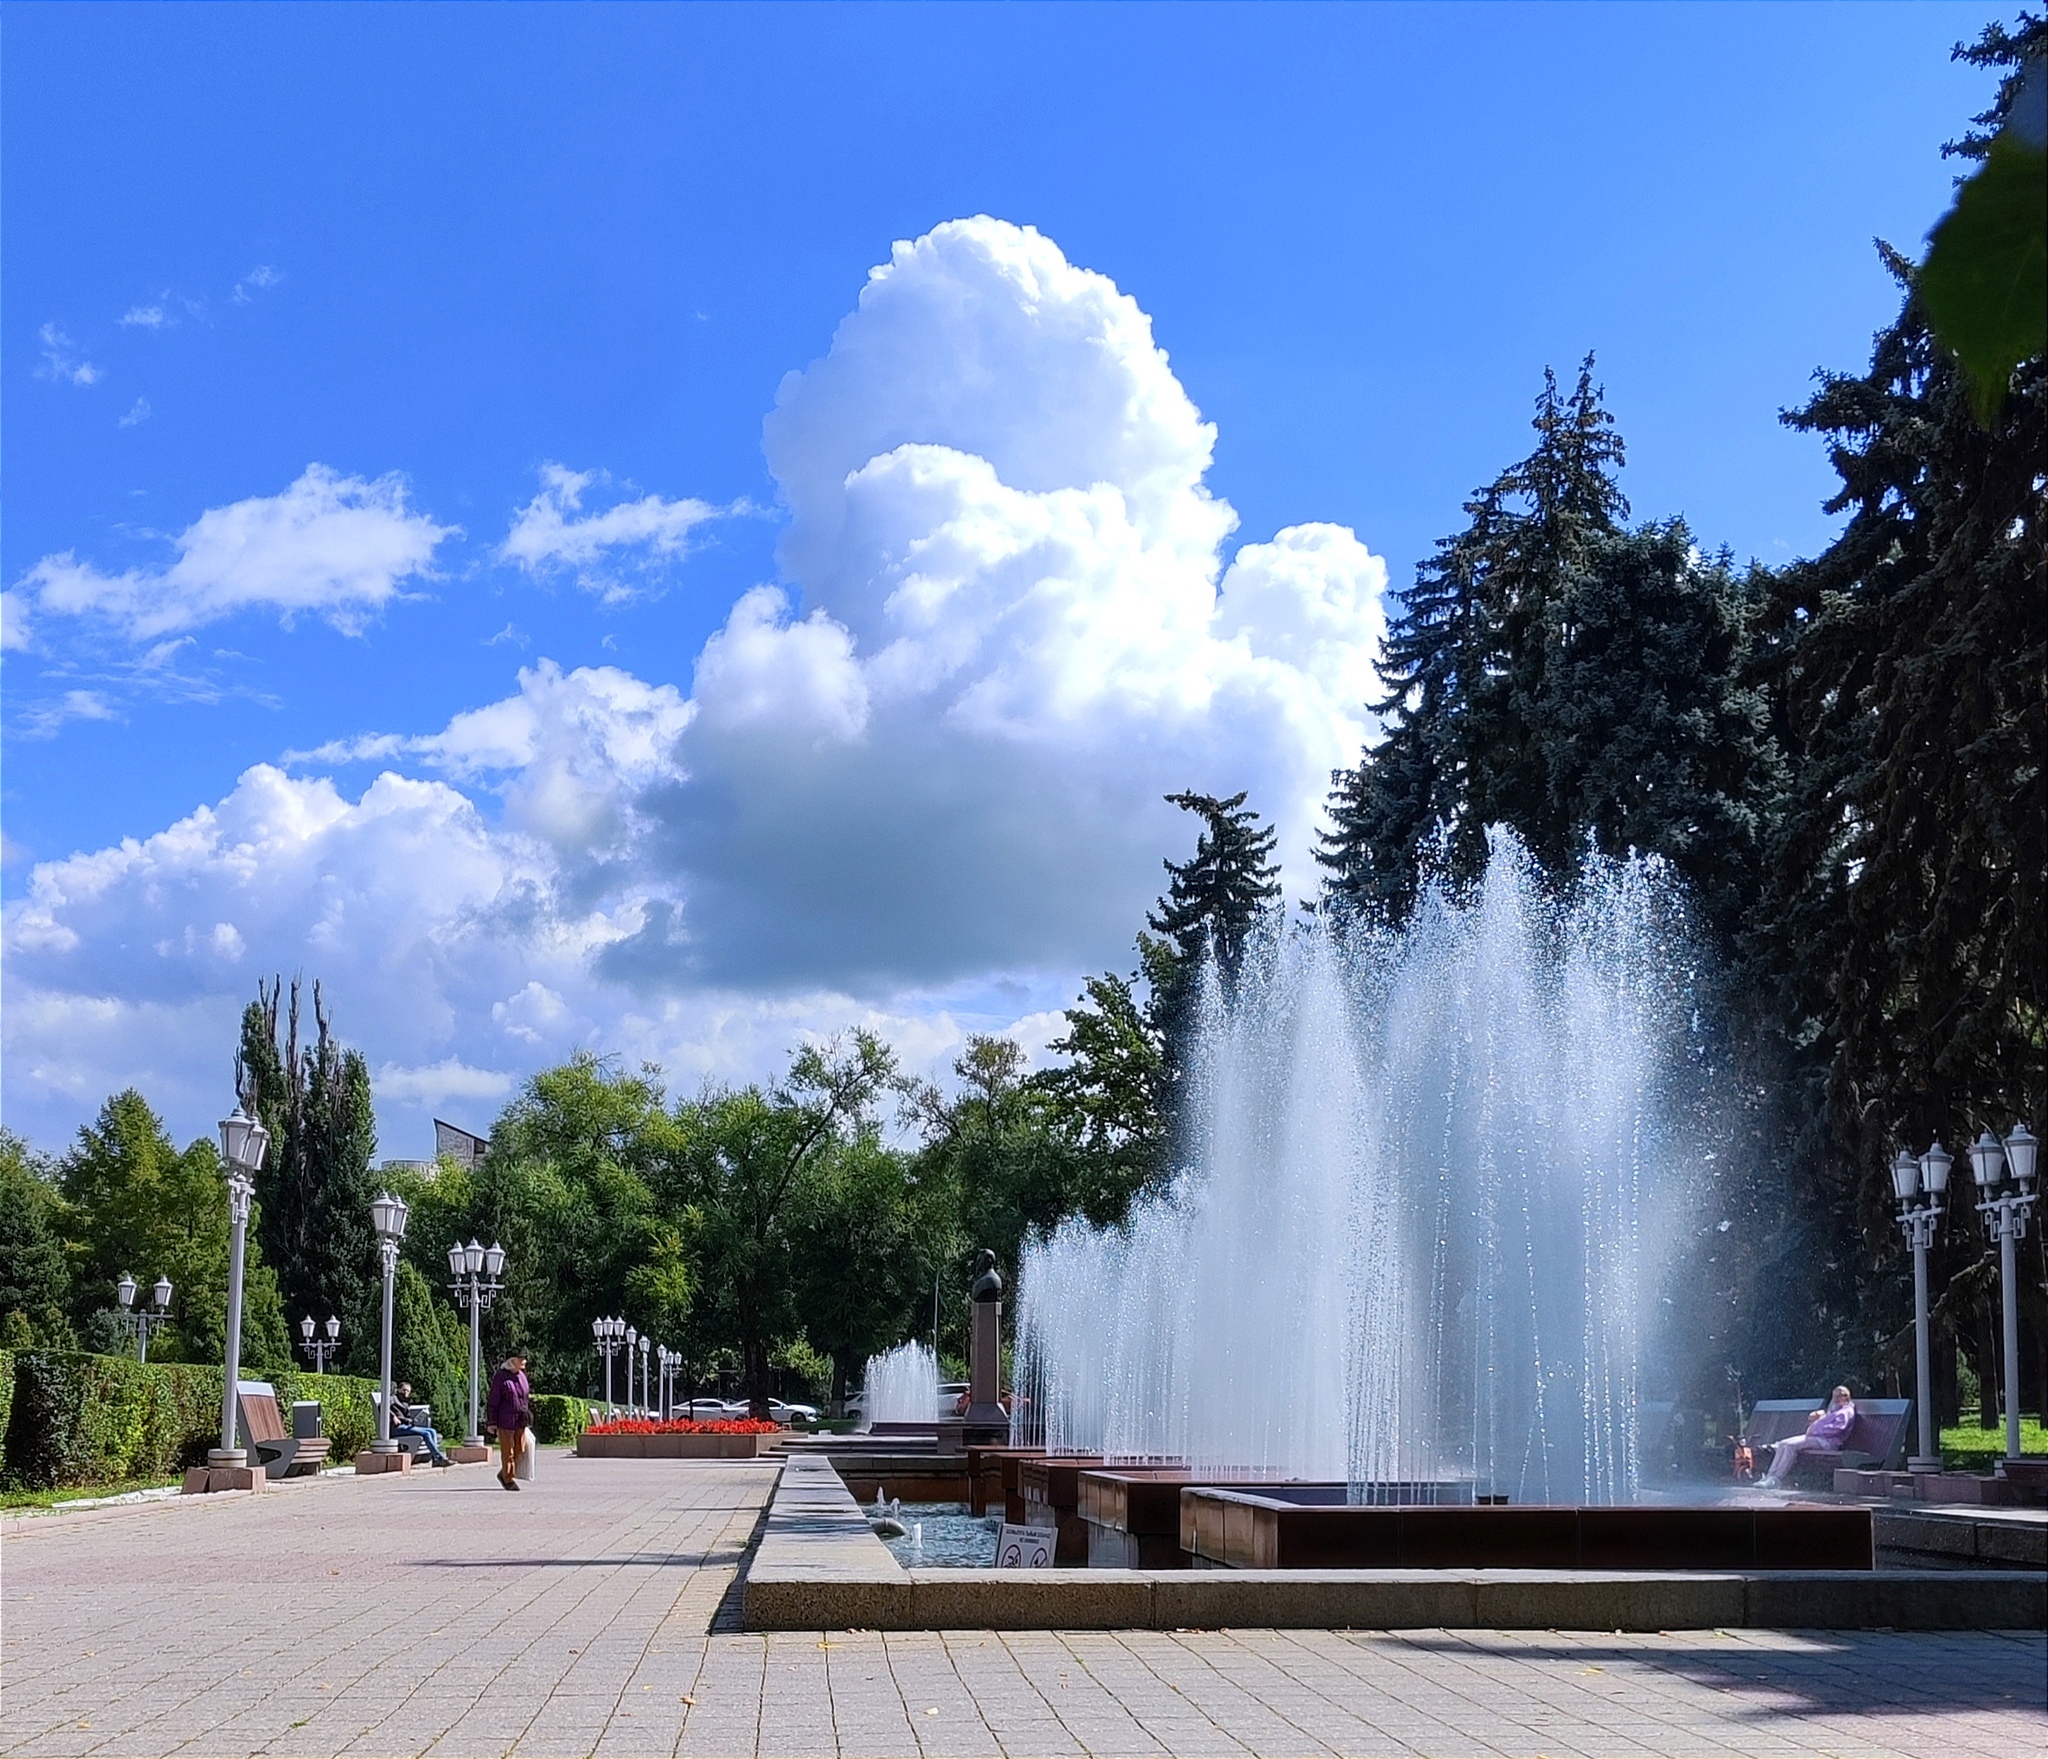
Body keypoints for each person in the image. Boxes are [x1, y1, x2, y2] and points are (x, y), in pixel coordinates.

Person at [1762, 1386, 1857, 1485]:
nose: (1836, 1399)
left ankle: (1777, 1478)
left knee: (1791, 1446)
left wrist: (1815, 1429)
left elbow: (1837, 1429)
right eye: (1834, 1396)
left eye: (1839, 1396)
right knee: (1783, 1444)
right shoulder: (1835, 1410)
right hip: (1816, 1438)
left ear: (1846, 1397)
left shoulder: (1846, 1412)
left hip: (1827, 1442)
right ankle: (1770, 1475)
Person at [487, 1350, 532, 1492]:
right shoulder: (500, 1377)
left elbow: (525, 1397)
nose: (524, 1361)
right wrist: (491, 1422)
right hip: (505, 1421)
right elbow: (493, 1400)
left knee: (520, 1449)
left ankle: (503, 1473)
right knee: (508, 1452)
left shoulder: (522, 1376)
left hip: (520, 1421)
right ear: (512, 1361)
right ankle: (508, 1478)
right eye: (521, 1359)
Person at [391, 1382, 452, 1467]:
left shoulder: (405, 1403)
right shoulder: (393, 1398)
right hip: (396, 1428)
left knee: (432, 1431)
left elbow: (406, 1417)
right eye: (404, 1390)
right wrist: (393, 1416)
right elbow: (382, 1407)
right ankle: (439, 1458)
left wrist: (413, 1420)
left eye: (408, 1391)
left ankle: (435, 1459)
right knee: (426, 1433)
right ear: (399, 1390)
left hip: (406, 1426)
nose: (405, 1393)